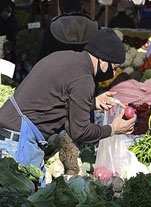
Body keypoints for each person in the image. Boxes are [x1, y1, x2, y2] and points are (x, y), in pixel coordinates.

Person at [0, 28, 137, 185]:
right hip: (17, 143)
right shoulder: (84, 79)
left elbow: (54, 99)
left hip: (8, 134)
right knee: (23, 201)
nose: (113, 74)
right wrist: (113, 129)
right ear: (102, 60)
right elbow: (79, 131)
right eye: (114, 68)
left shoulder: (64, 57)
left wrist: (92, 102)